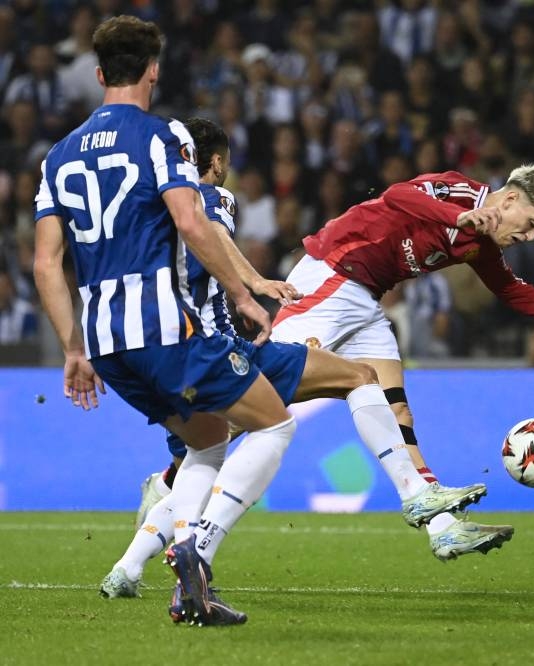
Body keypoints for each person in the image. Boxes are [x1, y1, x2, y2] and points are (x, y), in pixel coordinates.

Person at [101, 118, 495, 602]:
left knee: (210, 449)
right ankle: (195, 543)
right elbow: (210, 234)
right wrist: (252, 285)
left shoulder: (145, 208)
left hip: (155, 352)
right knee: (337, 389)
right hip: (220, 352)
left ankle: (128, 565)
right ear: (217, 162)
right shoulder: (212, 199)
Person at [33, 15, 295, 626]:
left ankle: (189, 586)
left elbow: (47, 262)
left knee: (207, 439)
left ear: (99, 75)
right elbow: (191, 222)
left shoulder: (56, 157)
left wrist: (72, 348)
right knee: (276, 425)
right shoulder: (163, 135)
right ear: (154, 69)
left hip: (103, 343)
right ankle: (196, 549)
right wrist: (247, 291)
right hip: (162, 328)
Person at [270, 163, 534, 548]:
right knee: (264, 388)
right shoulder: (459, 192)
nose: (532, 236)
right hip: (334, 273)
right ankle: (196, 443)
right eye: (532, 222)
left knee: (397, 410)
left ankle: (442, 527)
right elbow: (398, 196)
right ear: (509, 199)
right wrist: (460, 217)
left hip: (367, 298)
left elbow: (511, 290)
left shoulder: (484, 244)